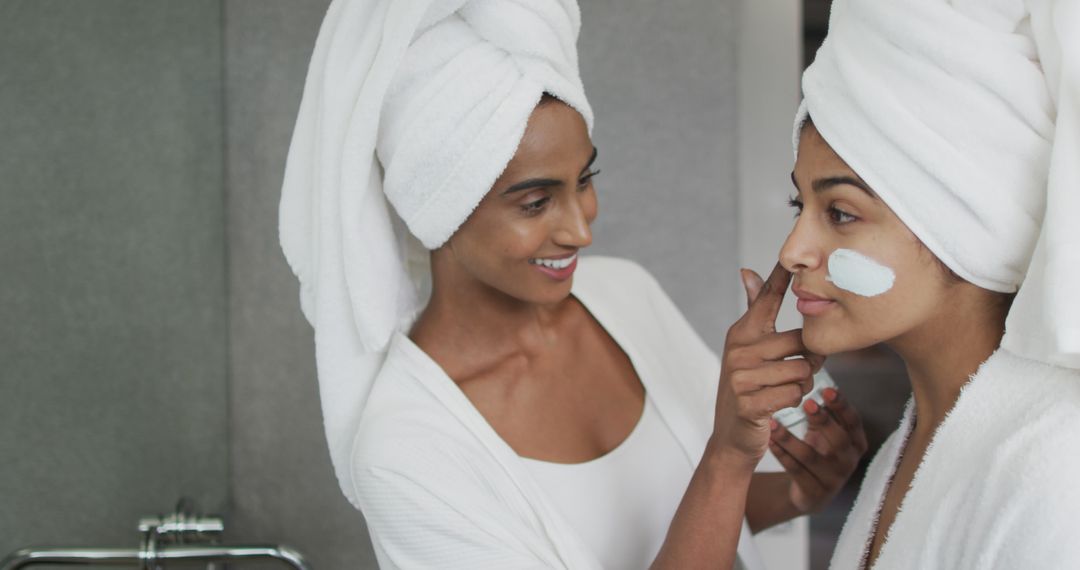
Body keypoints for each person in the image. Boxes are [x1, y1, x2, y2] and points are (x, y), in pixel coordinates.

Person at [278, 0, 866, 568]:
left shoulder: (623, 294)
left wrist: (794, 494)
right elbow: (716, 477)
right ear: (437, 210)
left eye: (585, 179)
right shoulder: (407, 449)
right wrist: (730, 457)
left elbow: (683, 524)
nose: (581, 228)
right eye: (536, 203)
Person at [778, 0, 1080, 568]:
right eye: (800, 203)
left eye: (840, 212)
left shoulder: (1059, 469)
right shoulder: (914, 440)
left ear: (966, 224)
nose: (791, 251)